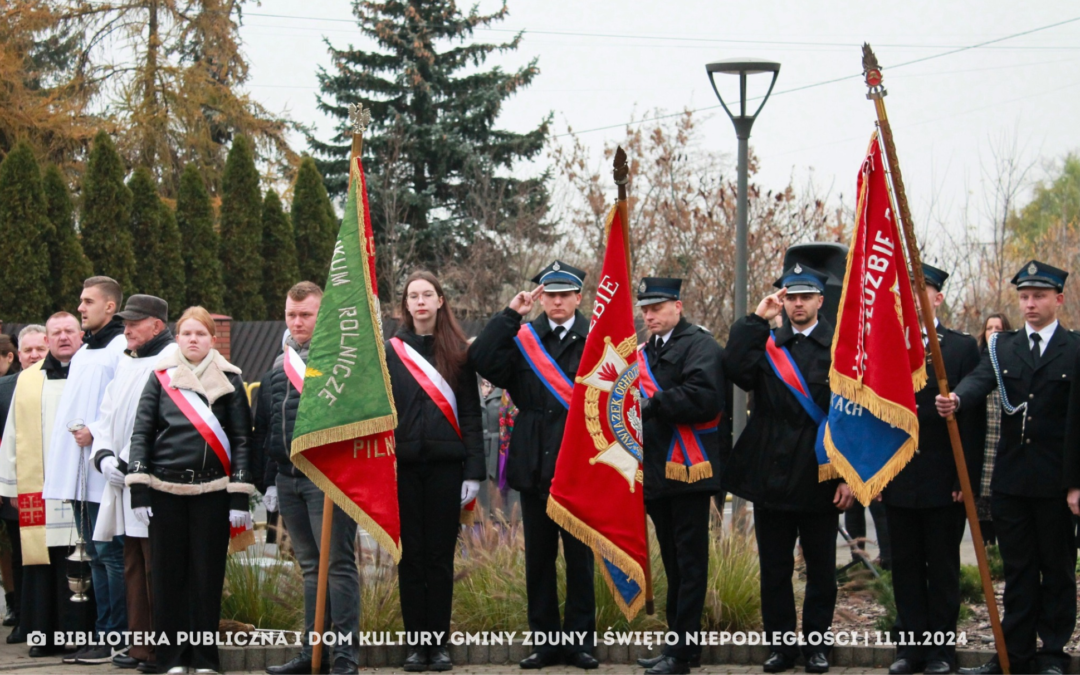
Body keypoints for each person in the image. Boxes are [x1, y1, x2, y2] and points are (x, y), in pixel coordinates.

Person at [938, 260, 1078, 675]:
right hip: (1012, 480)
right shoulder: (1004, 347)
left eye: (1038, 296)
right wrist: (958, 399)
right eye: (1024, 297)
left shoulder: (1074, 348)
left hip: (1056, 481)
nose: (1030, 304)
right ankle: (1012, 656)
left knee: (1056, 569)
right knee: (1017, 572)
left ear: (1059, 299)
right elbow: (981, 380)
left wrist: (1076, 484)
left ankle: (1052, 653)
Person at [722, 263, 854, 674]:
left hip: (821, 474)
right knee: (775, 569)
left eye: (805, 297)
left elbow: (853, 416)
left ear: (819, 301)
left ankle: (816, 645)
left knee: (820, 570)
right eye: (790, 297)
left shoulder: (840, 347)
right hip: (772, 473)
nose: (797, 304)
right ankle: (781, 647)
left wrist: (850, 476)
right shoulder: (767, 342)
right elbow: (734, 368)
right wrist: (757, 319)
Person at [469, 261, 599, 670]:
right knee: (539, 560)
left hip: (579, 464)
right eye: (550, 294)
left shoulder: (595, 340)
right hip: (534, 461)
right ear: (540, 297)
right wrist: (511, 314)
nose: (557, 301)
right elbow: (481, 357)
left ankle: (580, 643)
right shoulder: (524, 338)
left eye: (565, 294)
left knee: (580, 560)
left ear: (579, 297)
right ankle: (544, 643)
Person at [125, 306, 253, 674]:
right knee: (166, 579)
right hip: (165, 492)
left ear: (213, 340)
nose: (192, 340)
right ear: (177, 338)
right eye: (186, 334)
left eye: (200, 334)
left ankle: (204, 659)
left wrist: (239, 494)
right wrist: (139, 487)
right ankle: (172, 659)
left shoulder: (231, 379)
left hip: (212, 492)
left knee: (206, 578)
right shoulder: (160, 377)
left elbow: (243, 439)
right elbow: (142, 433)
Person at [884, 264, 983, 675]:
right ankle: (910, 648)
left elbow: (974, 423)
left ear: (937, 297)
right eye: (905, 292)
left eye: (920, 290)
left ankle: (941, 649)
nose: (912, 299)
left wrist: (967, 479)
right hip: (899, 475)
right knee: (904, 566)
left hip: (944, 479)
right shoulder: (887, 346)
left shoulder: (959, 348)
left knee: (942, 568)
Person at [387, 271, 484, 672]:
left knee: (441, 559)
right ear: (406, 305)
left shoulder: (458, 351)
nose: (421, 301)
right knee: (409, 558)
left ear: (441, 300)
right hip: (403, 468)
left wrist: (473, 472)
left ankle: (438, 645)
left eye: (428, 294)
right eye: (414, 295)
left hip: (447, 468)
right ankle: (416, 645)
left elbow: (471, 415)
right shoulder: (390, 352)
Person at [265, 283, 360, 675]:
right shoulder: (279, 362)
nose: (297, 321)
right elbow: (271, 422)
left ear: (323, 315)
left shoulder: (343, 359)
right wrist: (271, 476)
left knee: (336, 564)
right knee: (308, 566)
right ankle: (311, 651)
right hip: (289, 478)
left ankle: (343, 655)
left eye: (306, 314)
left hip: (329, 479)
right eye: (291, 314)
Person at [632, 278, 724, 675]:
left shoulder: (700, 345)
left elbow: (704, 396)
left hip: (689, 471)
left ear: (678, 307)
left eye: (657, 307)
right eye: (645, 309)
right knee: (671, 561)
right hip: (653, 472)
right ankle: (675, 645)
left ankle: (684, 652)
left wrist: (653, 403)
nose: (649, 315)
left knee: (690, 564)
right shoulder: (641, 352)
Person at [43, 276, 128, 665]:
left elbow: (122, 403)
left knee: (110, 554)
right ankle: (101, 630)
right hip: (78, 467)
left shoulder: (118, 347)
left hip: (102, 465)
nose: (81, 308)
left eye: (87, 301)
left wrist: (95, 429)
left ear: (109, 306)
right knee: (93, 555)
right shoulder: (84, 351)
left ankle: (117, 636)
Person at [89, 296, 176, 673]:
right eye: (125, 322)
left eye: (134, 323)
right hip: (122, 476)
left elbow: (161, 418)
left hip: (151, 477)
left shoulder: (169, 360)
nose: (125, 329)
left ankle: (162, 648)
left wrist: (127, 460)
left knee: (156, 561)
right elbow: (107, 413)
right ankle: (141, 646)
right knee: (133, 562)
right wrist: (104, 455)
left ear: (156, 325)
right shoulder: (128, 359)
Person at [0, 314, 94, 656]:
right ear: (49, 339)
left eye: (70, 331)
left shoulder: (92, 373)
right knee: (40, 563)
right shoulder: (27, 380)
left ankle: (83, 636)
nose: (64, 337)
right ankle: (42, 637)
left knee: (82, 558)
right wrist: (11, 486)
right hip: (37, 490)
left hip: (83, 486)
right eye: (57, 333)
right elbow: (13, 436)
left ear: (80, 335)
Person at [0, 325, 49, 644]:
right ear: (18, 356)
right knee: (21, 553)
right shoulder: (5, 387)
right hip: (18, 487)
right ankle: (23, 617)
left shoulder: (64, 383)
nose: (33, 356)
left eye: (39, 350)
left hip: (56, 486)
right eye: (27, 351)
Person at [976, 313, 1011, 548]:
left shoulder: (1013, 362)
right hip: (982, 454)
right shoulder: (976, 365)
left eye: (999, 328)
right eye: (990, 328)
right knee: (983, 529)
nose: (994, 332)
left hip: (1004, 454)